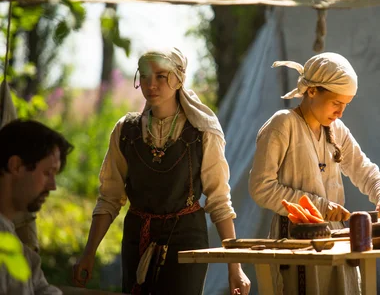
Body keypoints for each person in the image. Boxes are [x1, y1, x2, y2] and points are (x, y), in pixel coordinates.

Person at [73, 48, 251, 295]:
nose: (151, 84)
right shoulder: (126, 131)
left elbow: (219, 201)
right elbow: (110, 198)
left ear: (179, 78)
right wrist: (88, 254)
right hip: (138, 237)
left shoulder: (203, 132)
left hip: (186, 242)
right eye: (144, 76)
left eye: (161, 76)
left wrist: (235, 267)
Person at [248, 52, 380, 294]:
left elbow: (366, 171)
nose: (340, 112)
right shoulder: (283, 124)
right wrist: (320, 206)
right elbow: (261, 188)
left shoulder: (336, 130)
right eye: (336, 103)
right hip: (297, 241)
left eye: (345, 105)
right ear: (311, 91)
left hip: (335, 241)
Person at [0, 119, 73, 294]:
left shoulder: (16, 244)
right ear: (16, 166)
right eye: (47, 173)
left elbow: (41, 288)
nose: (53, 186)